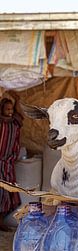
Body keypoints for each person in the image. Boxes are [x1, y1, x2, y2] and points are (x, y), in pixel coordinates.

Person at [0, 91, 23, 231]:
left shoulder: (15, 122)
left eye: (11, 109)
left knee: (7, 192)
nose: (10, 111)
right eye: (7, 109)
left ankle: (1, 221)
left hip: (8, 163)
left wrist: (17, 98)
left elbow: (20, 114)